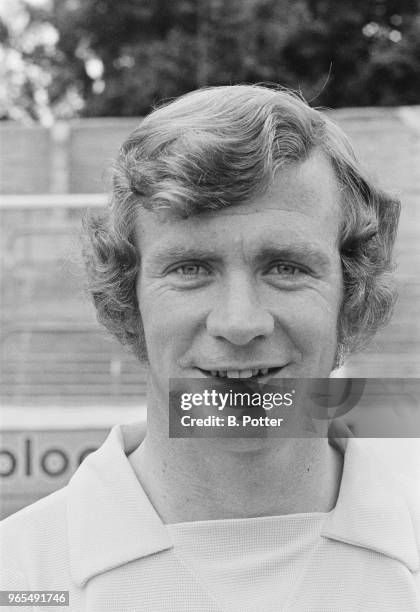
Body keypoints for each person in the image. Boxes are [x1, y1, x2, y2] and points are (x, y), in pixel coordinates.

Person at [1, 84, 419, 611]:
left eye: (286, 267)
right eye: (191, 269)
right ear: (128, 298)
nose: (239, 323)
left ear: (350, 291)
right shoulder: (18, 578)